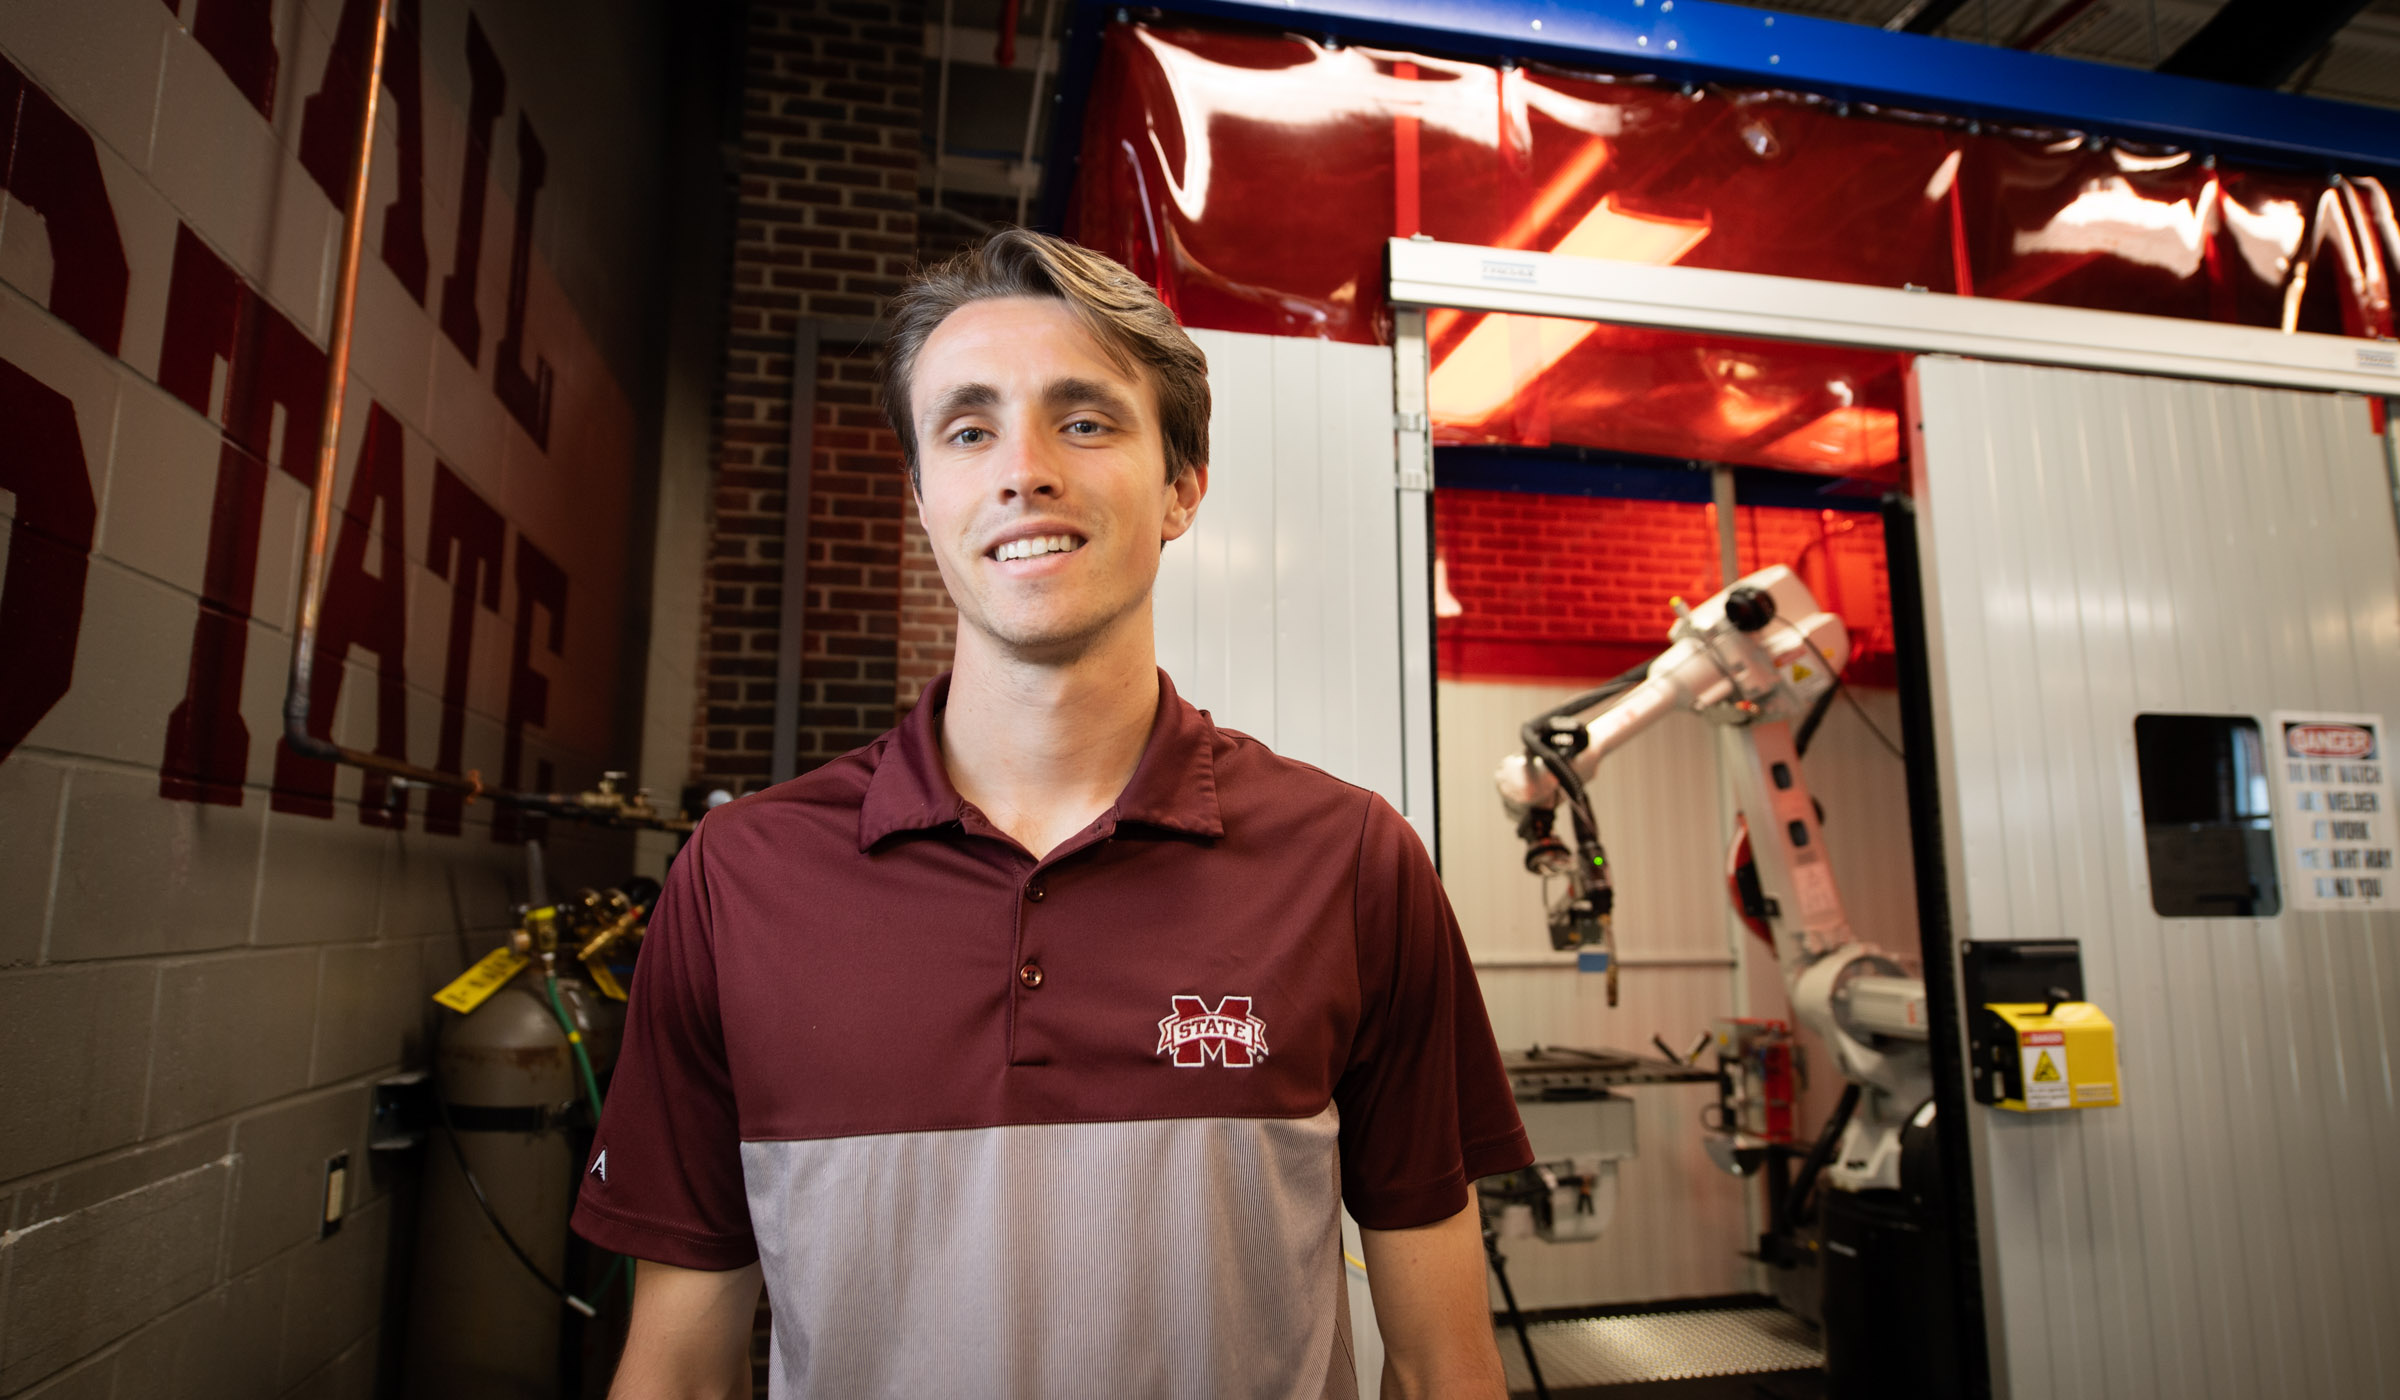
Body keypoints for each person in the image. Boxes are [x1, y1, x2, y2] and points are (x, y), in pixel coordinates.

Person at [572, 228, 1532, 1400]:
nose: (1024, 468)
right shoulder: (738, 878)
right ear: (926, 497)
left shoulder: (1353, 862)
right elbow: (676, 1369)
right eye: (969, 429)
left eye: (1084, 420)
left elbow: (1443, 1364)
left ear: (1182, 487)